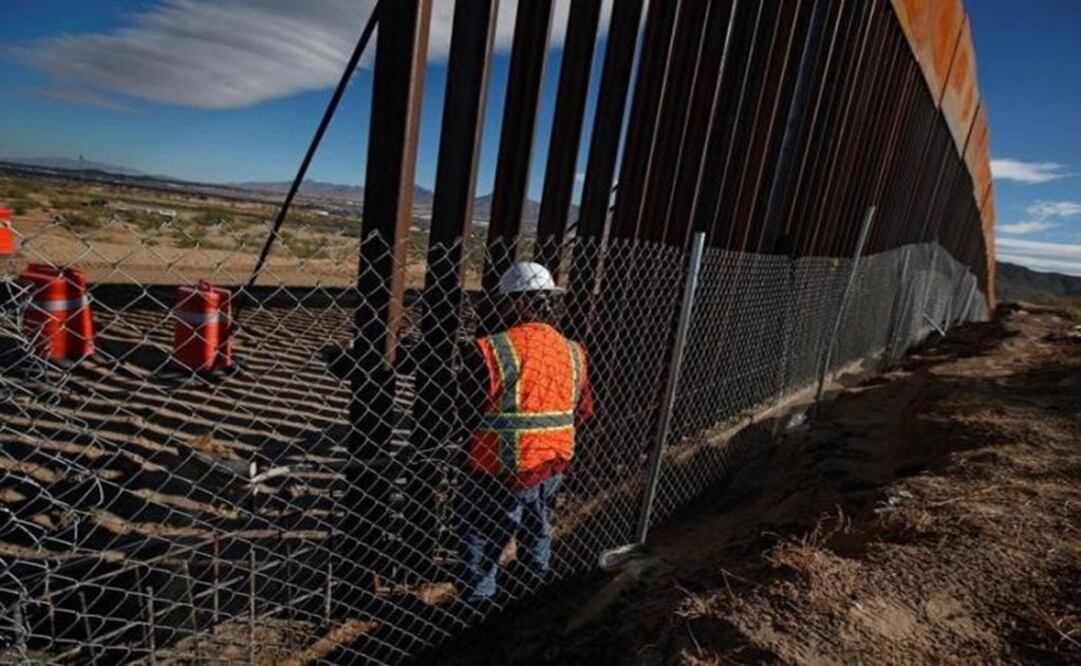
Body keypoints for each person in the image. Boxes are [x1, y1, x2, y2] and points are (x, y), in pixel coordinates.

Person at [456, 261, 593, 605]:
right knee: (536, 524)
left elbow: (465, 412)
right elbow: (585, 410)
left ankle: (479, 603)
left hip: (500, 469)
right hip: (554, 462)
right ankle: (534, 585)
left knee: (482, 534)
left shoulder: (490, 349)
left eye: (503, 302)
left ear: (516, 303)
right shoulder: (573, 351)